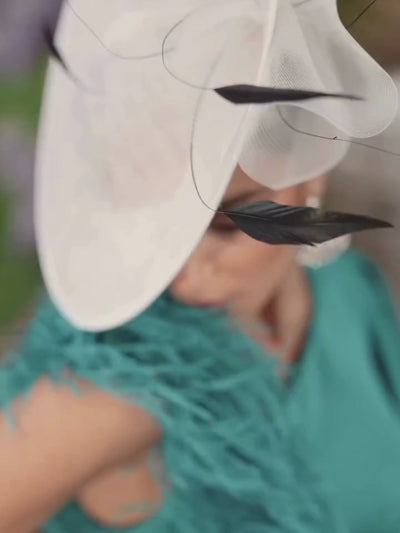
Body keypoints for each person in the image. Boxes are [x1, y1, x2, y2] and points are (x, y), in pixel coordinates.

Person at [0, 1, 400, 532]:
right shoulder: (123, 392)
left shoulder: (351, 294)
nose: (184, 275)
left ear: (309, 171)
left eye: (227, 225)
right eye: (150, 224)